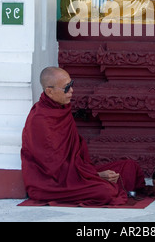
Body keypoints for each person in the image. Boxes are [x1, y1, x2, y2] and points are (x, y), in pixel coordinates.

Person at [21, 67, 146, 206]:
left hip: (78, 173)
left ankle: (103, 184)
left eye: (71, 84)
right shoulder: (40, 120)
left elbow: (75, 156)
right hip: (54, 184)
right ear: (49, 91)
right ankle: (102, 185)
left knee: (129, 167)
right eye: (66, 88)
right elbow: (54, 168)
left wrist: (92, 173)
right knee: (106, 191)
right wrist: (96, 176)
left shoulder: (61, 109)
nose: (71, 91)